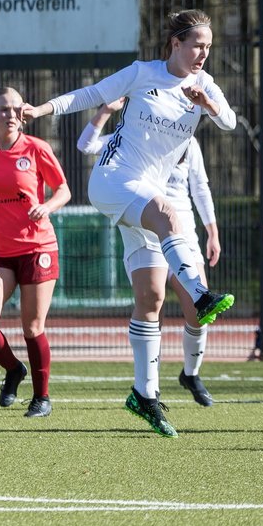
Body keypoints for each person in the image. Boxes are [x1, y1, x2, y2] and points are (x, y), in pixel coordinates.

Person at [21, 9, 237, 437]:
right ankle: (200, 292)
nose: (202, 54)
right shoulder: (142, 73)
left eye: (208, 47)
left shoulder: (204, 85)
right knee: (170, 215)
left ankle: (145, 395)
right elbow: (88, 95)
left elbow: (228, 121)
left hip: (144, 195)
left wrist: (207, 104)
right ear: (175, 44)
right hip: (114, 179)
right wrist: (40, 108)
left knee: (151, 296)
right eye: (196, 44)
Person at [77, 97, 221, 407]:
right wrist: (106, 110)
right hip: (145, 224)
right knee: (150, 299)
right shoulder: (129, 138)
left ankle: (191, 373)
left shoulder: (188, 142)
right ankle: (148, 391)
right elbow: (87, 145)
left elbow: (200, 188)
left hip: (183, 230)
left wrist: (212, 231)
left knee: (198, 309)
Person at [0, 86, 71, 418]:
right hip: (1, 251)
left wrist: (47, 206)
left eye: (16, 108)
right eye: (4, 109)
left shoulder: (37, 148)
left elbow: (63, 190)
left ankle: (42, 398)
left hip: (38, 248)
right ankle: (13, 369)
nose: (11, 114)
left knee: (32, 327)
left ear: (24, 113)